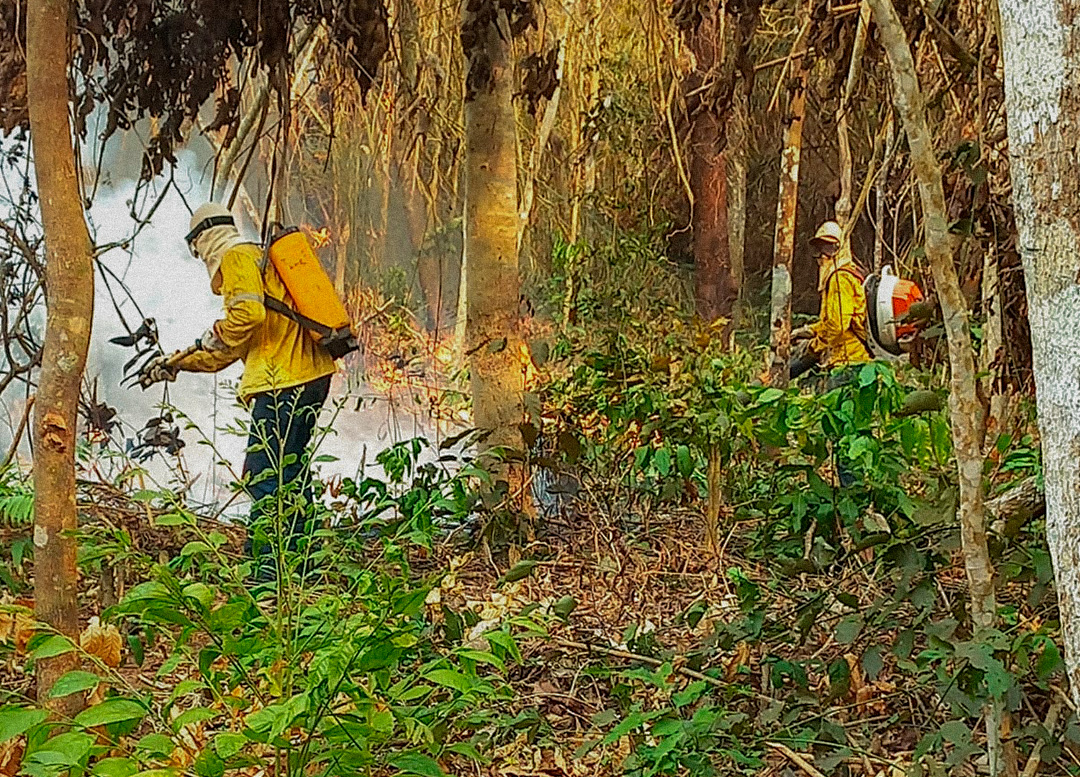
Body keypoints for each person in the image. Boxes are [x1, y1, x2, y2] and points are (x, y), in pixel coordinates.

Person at [141, 203, 336, 578]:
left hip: (283, 382)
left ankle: (265, 572)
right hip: (307, 375)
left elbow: (247, 316)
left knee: (263, 473)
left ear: (202, 241)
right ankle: (302, 565)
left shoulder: (235, 256)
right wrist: (178, 362)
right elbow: (232, 349)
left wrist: (212, 333)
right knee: (290, 473)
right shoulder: (254, 261)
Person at [791, 220, 871, 489]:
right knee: (854, 433)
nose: (822, 255)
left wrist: (812, 349)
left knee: (843, 435)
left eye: (828, 248)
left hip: (847, 364)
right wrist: (806, 331)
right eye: (820, 248)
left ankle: (854, 496)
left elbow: (837, 326)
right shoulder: (848, 276)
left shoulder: (839, 278)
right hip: (858, 364)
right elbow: (832, 320)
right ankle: (858, 493)